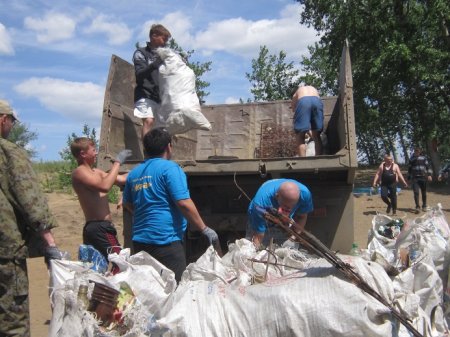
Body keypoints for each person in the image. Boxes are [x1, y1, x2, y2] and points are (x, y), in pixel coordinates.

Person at [122, 128, 219, 282]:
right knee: (175, 288)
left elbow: (127, 202)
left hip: (140, 241)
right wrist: (204, 229)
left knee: (150, 287)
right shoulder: (170, 169)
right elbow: (183, 203)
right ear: (168, 147)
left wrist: (145, 215)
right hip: (165, 241)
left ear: (145, 149)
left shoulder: (134, 173)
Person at [0, 99, 63, 337]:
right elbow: (31, 200)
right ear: (3, 119)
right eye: (12, 121)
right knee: (12, 323)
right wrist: (50, 243)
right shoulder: (8, 151)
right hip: (5, 253)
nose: (12, 127)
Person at [71, 137, 132, 273]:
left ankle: (98, 292)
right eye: (93, 150)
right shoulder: (79, 172)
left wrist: (143, 169)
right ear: (83, 154)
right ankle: (114, 292)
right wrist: (117, 163)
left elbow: (121, 179)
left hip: (100, 228)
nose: (96, 153)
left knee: (97, 268)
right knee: (120, 262)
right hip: (98, 228)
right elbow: (104, 186)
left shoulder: (96, 172)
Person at [246, 178, 313, 248]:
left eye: (292, 206)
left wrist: (292, 238)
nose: (289, 208)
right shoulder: (260, 204)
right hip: (262, 216)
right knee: (254, 247)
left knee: (287, 251)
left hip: (284, 221)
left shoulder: (305, 194)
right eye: (286, 207)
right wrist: (256, 252)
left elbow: (301, 217)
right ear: (277, 196)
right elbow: (258, 236)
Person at [133, 24, 171, 138]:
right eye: (163, 39)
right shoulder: (141, 53)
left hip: (160, 97)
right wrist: (154, 65)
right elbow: (139, 75)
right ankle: (147, 152)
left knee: (162, 129)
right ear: (154, 36)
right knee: (149, 121)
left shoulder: (165, 55)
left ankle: (161, 153)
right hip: (145, 94)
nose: (165, 43)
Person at [291, 85, 324, 157]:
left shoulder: (296, 94)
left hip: (303, 102)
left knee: (300, 136)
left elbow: (294, 109)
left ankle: (303, 161)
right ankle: (319, 158)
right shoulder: (312, 88)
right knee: (316, 135)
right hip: (317, 101)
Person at [408, 147, 433, 213]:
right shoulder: (411, 159)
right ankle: (417, 207)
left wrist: (429, 175)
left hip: (423, 177)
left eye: (418, 151)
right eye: (416, 151)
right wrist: (409, 177)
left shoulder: (424, 158)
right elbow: (409, 169)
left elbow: (428, 167)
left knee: (424, 192)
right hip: (415, 178)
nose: (417, 152)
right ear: (414, 151)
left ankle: (424, 206)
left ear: (420, 152)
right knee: (416, 192)